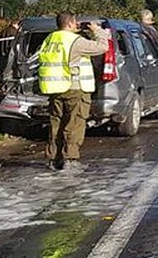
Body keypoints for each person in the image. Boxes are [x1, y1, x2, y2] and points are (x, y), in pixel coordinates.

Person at [37, 13, 109, 171]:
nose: (77, 25)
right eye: (75, 23)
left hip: (55, 88)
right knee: (74, 123)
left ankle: (53, 158)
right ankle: (70, 158)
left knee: (56, 123)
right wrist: (97, 30)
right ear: (70, 23)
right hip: (74, 87)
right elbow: (103, 47)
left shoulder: (50, 39)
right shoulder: (75, 41)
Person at [0, 18, 21, 83]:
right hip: (10, 54)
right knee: (8, 71)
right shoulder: (15, 32)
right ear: (16, 24)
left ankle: (2, 81)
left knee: (2, 70)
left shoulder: (4, 31)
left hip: (1, 54)